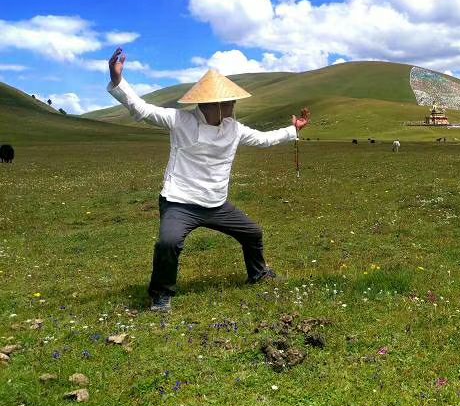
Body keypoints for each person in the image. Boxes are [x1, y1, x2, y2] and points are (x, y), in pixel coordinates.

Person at [107, 48, 309, 312]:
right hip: (180, 202)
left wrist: (292, 129)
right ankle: (160, 295)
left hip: (216, 204)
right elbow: (142, 109)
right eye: (229, 102)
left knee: (252, 232)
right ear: (211, 104)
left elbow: (263, 140)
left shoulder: (233, 129)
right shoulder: (179, 120)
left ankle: (258, 274)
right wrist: (119, 81)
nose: (234, 105)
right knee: (168, 243)